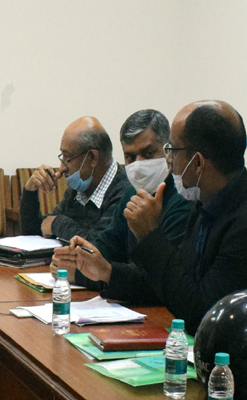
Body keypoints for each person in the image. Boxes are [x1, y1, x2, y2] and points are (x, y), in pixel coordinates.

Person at [74, 101, 247, 334]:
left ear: (197, 162)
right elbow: (173, 283)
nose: (169, 160)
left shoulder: (241, 223)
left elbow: (200, 312)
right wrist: (106, 271)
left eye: (173, 151)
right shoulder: (204, 204)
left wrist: (149, 235)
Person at [51, 110, 193, 304]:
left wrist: (96, 273)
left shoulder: (183, 197)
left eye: (148, 153)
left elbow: (161, 280)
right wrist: (81, 257)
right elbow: (109, 243)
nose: (139, 164)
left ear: (168, 151)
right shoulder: (132, 191)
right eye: (130, 157)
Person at [19, 116, 131, 242]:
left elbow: (99, 246)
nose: (61, 169)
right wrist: (31, 191)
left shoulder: (126, 192)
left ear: (92, 158)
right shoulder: (80, 189)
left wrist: (57, 223)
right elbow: (36, 235)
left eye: (68, 158)